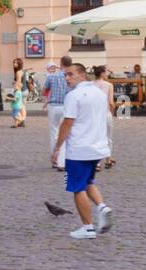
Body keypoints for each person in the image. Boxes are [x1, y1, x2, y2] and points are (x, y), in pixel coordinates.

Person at [52, 63, 113, 239]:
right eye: (65, 75)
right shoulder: (99, 93)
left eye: (70, 74)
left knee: (77, 188)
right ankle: (102, 207)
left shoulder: (74, 96)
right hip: (97, 147)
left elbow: (67, 123)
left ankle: (87, 228)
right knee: (88, 181)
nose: (67, 78)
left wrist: (57, 148)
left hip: (79, 148)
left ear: (82, 75)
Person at [43, 55, 71, 170]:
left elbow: (44, 90)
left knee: (54, 133)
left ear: (61, 63)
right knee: (66, 133)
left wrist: (47, 98)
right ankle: (63, 160)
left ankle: (55, 160)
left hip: (54, 107)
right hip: (66, 106)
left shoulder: (52, 76)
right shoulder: (70, 77)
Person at [91, 65, 117, 168]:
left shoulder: (90, 85)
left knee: (95, 138)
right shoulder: (109, 85)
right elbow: (111, 102)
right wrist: (112, 112)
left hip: (94, 115)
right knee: (108, 138)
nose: (107, 74)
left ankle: (96, 163)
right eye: (106, 72)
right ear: (102, 73)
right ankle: (108, 160)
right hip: (105, 114)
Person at [8, 59, 27, 129]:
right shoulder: (21, 71)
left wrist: (15, 87)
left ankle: (21, 121)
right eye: (14, 62)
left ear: (20, 64)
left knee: (22, 108)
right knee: (22, 107)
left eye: (16, 63)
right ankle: (21, 122)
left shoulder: (18, 72)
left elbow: (18, 82)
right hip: (24, 90)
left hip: (21, 91)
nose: (14, 64)